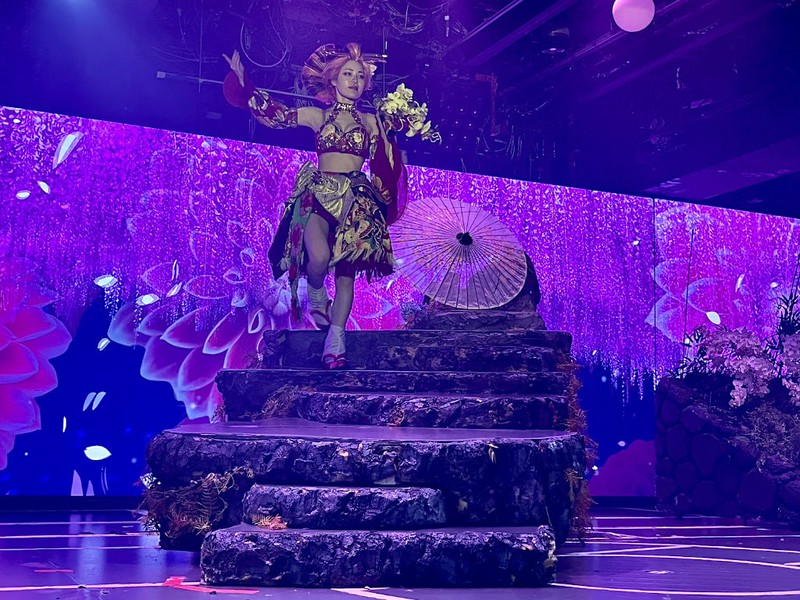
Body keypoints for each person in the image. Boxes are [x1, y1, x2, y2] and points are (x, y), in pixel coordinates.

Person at [222, 43, 407, 369]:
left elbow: (388, 160)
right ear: (334, 80)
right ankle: (318, 292)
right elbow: (277, 116)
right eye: (347, 74)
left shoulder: (371, 121)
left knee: (347, 273)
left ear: (365, 83)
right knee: (319, 257)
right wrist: (246, 86)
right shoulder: (317, 115)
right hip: (319, 192)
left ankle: (336, 337)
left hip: (357, 198)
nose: (354, 80)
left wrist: (399, 127)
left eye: (360, 76)